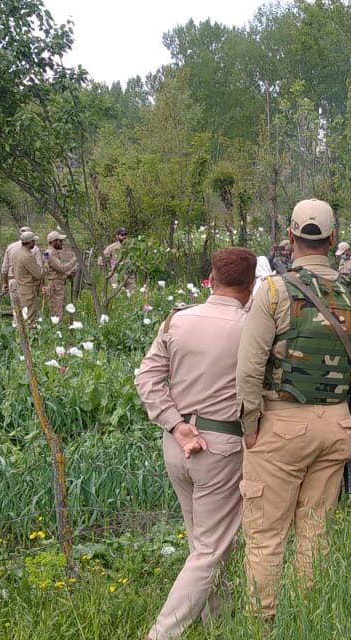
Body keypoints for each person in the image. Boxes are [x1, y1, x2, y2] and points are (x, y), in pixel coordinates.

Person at [235, 199, 351, 621]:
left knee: (265, 536)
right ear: (333, 240)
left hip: (279, 424)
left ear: (290, 237)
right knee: (315, 535)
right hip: (336, 423)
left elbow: (249, 368)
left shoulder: (275, 290)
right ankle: (307, 620)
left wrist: (249, 425)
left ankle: (264, 626)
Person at [135, 248, 256, 640]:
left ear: (211, 278)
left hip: (178, 442)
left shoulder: (178, 320)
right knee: (209, 549)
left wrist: (174, 424)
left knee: (201, 542)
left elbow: (147, 380)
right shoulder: (252, 326)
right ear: (251, 285)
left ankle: (220, 621)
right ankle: (162, 634)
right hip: (222, 445)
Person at [10, 231, 46, 325]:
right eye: (33, 241)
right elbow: (39, 274)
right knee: (28, 317)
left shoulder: (16, 252)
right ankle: (27, 338)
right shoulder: (27, 256)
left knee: (20, 316)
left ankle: (20, 336)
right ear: (29, 242)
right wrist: (46, 265)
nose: (34, 243)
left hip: (19, 286)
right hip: (28, 289)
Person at [43, 230, 77, 319]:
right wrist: (74, 259)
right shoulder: (50, 253)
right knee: (57, 312)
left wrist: (67, 274)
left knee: (57, 310)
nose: (62, 243)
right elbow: (61, 268)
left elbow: (53, 269)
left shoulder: (47, 252)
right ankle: (57, 330)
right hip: (56, 286)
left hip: (55, 284)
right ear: (54, 241)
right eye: (60, 241)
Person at [0, 226, 39, 298]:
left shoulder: (10, 247)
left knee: (16, 307)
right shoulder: (35, 248)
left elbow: (5, 267)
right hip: (28, 282)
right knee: (27, 307)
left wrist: (5, 283)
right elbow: (38, 267)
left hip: (13, 280)